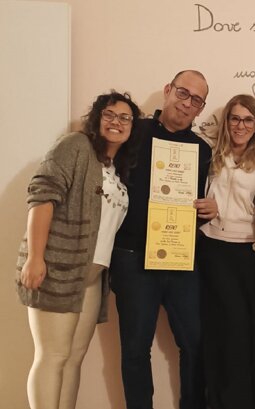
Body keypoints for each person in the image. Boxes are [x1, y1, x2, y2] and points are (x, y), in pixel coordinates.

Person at [15, 91, 141, 409]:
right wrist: (35, 258)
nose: (116, 122)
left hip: (92, 280)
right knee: (53, 356)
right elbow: (42, 196)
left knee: (73, 358)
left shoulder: (116, 168)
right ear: (97, 118)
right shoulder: (75, 145)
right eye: (109, 114)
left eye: (124, 118)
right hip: (58, 269)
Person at [110, 70, 217, 409]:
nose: (187, 103)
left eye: (196, 100)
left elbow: (201, 203)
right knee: (135, 349)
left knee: (196, 343)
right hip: (132, 256)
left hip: (181, 258)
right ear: (168, 90)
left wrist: (210, 209)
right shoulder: (133, 132)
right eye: (183, 93)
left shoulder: (203, 150)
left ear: (201, 108)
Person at [198, 94, 255, 409]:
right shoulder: (212, 152)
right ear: (226, 121)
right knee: (217, 330)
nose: (240, 126)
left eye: (248, 120)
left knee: (248, 331)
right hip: (211, 249)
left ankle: (253, 400)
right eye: (234, 118)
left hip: (248, 252)